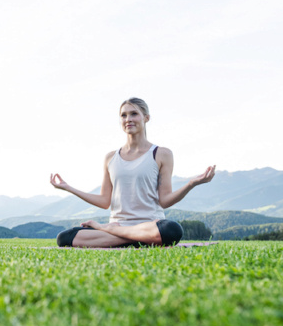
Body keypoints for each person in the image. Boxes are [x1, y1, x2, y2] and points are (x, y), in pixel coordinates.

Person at [50, 98, 215, 248]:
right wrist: (68, 188)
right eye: (123, 115)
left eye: (134, 114)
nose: (128, 119)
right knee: (65, 237)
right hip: (119, 226)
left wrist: (191, 184)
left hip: (149, 226)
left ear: (146, 118)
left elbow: (164, 201)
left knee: (171, 229)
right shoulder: (110, 158)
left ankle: (116, 234)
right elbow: (104, 201)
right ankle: (139, 240)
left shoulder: (161, 154)